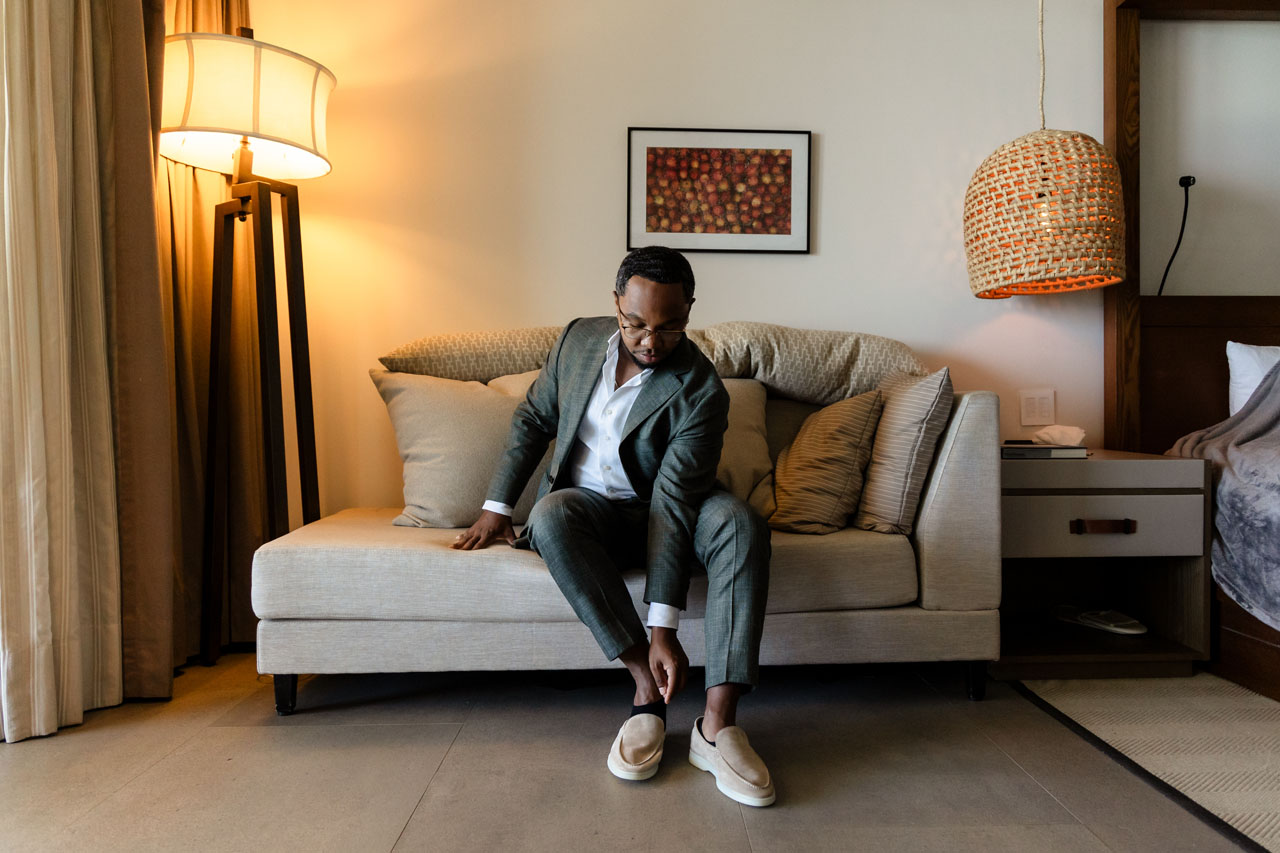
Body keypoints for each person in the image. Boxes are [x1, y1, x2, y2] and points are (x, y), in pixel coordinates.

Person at [451, 246, 774, 806]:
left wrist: (663, 628)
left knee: (741, 523)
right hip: (589, 511)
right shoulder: (577, 340)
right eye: (636, 324)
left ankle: (717, 728)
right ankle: (646, 694)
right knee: (550, 515)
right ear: (617, 303)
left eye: (669, 327)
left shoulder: (701, 390)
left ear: (689, 311)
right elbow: (534, 418)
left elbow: (673, 503)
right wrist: (496, 507)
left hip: (671, 510)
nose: (651, 341)